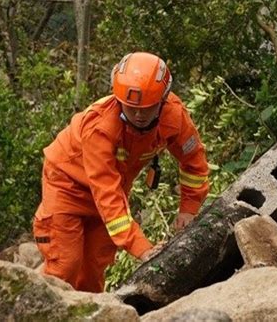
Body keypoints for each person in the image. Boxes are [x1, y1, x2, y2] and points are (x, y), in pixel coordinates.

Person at [33, 52, 209, 293]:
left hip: (110, 192)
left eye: (146, 108)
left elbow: (194, 162)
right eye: (131, 107)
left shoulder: (174, 117)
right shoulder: (100, 128)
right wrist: (142, 247)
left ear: (162, 100)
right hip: (66, 186)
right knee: (64, 267)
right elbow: (107, 194)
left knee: (93, 271)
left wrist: (189, 209)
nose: (138, 114)